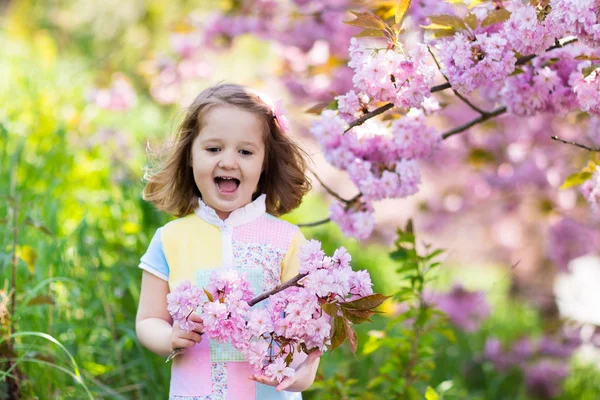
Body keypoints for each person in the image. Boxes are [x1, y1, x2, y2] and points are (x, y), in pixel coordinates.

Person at [135, 83, 321, 400]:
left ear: (265, 163)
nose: (229, 161)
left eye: (245, 151)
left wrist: (306, 369)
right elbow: (148, 320)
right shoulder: (170, 239)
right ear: (190, 156)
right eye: (213, 149)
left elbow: (308, 327)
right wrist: (170, 336)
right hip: (195, 392)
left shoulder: (286, 240)